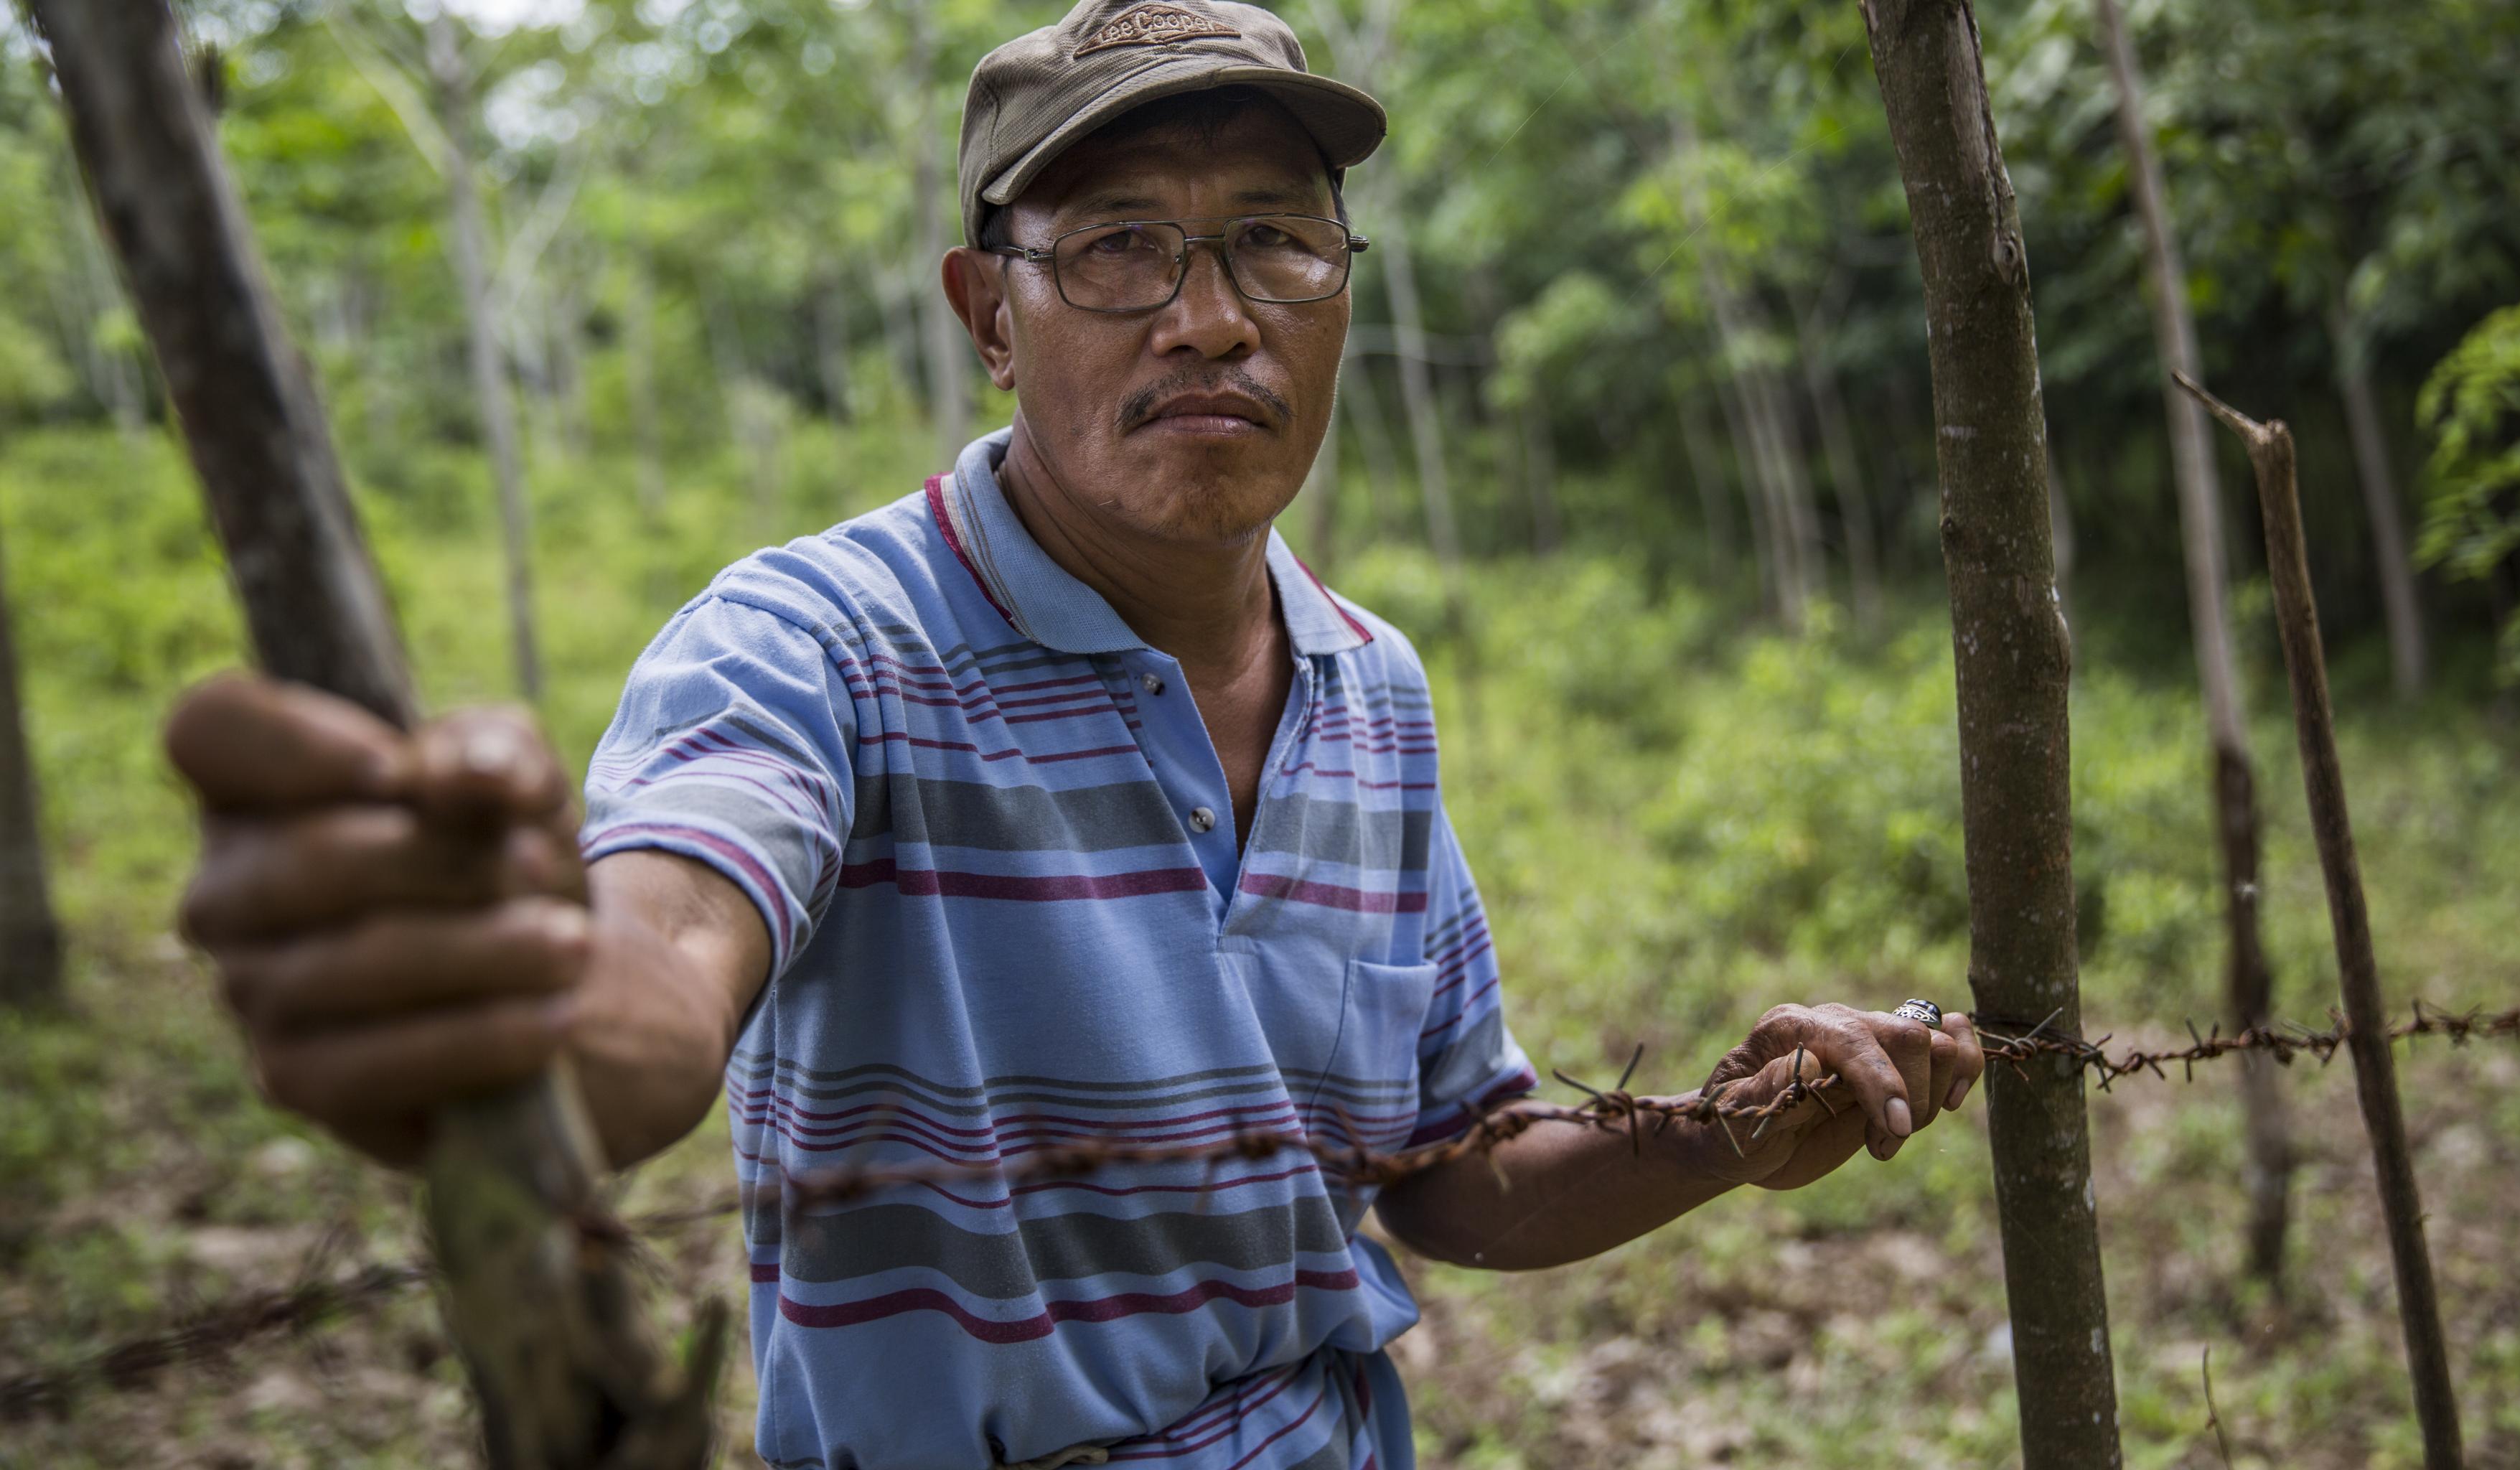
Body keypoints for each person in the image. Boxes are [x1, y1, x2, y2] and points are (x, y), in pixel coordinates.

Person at [165, 2, 1986, 1466]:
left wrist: (1717, 1136)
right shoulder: (817, 643)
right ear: (989, 314)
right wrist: (527, 1011)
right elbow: (663, 954)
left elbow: (1445, 1171)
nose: (1207, 318)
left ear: (1340, 293)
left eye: (1272, 242)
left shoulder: (1374, 688)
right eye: (1118, 248)